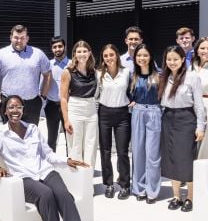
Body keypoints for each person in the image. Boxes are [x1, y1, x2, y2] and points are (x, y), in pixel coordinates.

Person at [0, 95, 88, 221]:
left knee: (64, 195)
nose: (15, 110)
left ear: (23, 109)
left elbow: (48, 155)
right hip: (24, 178)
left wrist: (66, 160)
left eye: (18, 107)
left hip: (45, 171)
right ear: (5, 111)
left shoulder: (33, 129)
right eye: (11, 107)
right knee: (46, 195)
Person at [160, 45, 206, 213]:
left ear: (182, 60)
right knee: (171, 158)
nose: (172, 62)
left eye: (175, 59)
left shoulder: (192, 77)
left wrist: (200, 127)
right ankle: (176, 196)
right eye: (169, 59)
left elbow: (199, 105)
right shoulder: (163, 77)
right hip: (167, 118)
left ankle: (190, 197)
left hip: (186, 119)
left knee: (186, 159)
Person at [0, 25, 51, 124]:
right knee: (10, 137)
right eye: (16, 37)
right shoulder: (0, 55)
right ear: (11, 38)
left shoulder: (38, 54)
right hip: (9, 104)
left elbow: (47, 74)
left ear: (27, 38)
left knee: (31, 136)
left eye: (22, 38)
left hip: (32, 104)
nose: (19, 40)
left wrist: (43, 96)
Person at [96, 44, 132, 199]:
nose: (109, 58)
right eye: (105, 56)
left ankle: (124, 185)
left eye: (111, 55)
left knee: (123, 151)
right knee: (105, 151)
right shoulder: (99, 74)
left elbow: (131, 91)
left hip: (122, 114)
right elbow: (96, 94)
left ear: (117, 55)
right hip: (104, 113)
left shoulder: (127, 72)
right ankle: (109, 184)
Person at [129, 43, 162, 203]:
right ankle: (139, 188)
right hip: (138, 113)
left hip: (155, 112)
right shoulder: (132, 76)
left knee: (152, 154)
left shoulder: (159, 75)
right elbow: (128, 95)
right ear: (135, 58)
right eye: (139, 55)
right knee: (138, 152)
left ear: (150, 57)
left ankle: (152, 190)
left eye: (145, 55)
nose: (142, 58)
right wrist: (131, 102)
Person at [59, 40, 98, 170]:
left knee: (91, 146)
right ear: (74, 54)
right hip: (75, 108)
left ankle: (87, 181)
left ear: (89, 53)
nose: (82, 54)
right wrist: (66, 120)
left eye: (84, 51)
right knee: (75, 145)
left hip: (91, 110)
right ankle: (76, 181)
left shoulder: (94, 72)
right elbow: (63, 98)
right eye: (79, 52)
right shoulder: (68, 72)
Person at [43, 36, 69, 151]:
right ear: (51, 49)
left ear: (64, 47)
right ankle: (51, 164)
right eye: (54, 47)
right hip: (52, 105)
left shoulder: (72, 64)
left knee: (70, 136)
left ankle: (71, 163)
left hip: (68, 106)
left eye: (60, 46)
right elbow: (42, 84)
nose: (57, 49)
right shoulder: (48, 65)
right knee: (51, 138)